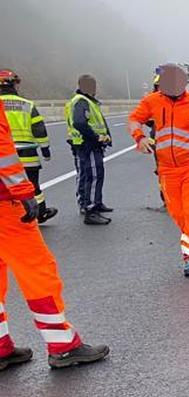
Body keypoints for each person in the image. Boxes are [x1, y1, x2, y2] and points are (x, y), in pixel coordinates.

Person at [0, 109, 109, 370]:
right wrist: (22, 190)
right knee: (37, 270)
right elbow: (2, 153)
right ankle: (63, 346)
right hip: (4, 204)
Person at [127, 63, 189, 278]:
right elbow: (134, 119)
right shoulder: (152, 101)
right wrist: (140, 137)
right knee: (177, 213)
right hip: (167, 169)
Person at [0, 69, 57, 224]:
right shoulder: (27, 105)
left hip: (3, 155)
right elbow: (39, 129)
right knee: (33, 186)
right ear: (14, 85)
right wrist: (45, 150)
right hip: (27, 154)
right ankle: (41, 213)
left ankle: (9, 217)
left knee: (5, 190)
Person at [65, 74, 112, 225]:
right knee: (94, 176)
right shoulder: (82, 102)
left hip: (85, 144)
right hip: (88, 144)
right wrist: (95, 137)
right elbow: (80, 122)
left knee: (88, 174)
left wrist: (106, 137)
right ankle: (91, 209)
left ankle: (93, 204)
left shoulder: (87, 101)